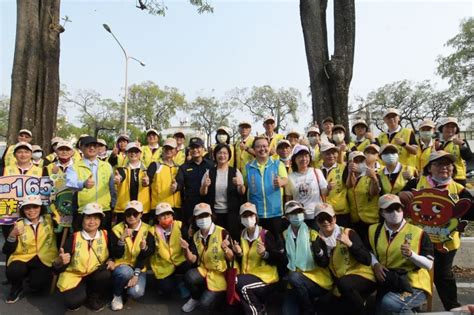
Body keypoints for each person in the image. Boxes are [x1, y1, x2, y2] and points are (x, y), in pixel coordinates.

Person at [400, 150, 473, 311]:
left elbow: (471, 211)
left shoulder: (459, 190)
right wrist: (401, 194)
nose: (444, 167)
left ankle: (452, 308)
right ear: (429, 167)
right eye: (438, 164)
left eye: (447, 164)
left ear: (453, 168)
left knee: (443, 276)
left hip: (445, 242)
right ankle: (413, 306)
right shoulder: (416, 184)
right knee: (416, 273)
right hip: (419, 240)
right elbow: (399, 204)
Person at [369, 194, 433, 314]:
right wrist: (376, 264)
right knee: (382, 309)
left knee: (389, 303)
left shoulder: (419, 233)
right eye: (389, 209)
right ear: (382, 213)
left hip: (413, 285)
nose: (395, 213)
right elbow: (369, 251)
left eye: (397, 208)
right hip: (390, 281)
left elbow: (429, 264)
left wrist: (412, 255)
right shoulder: (373, 230)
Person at [314, 203, 376, 315]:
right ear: (317, 222)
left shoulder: (348, 233)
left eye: (328, 218)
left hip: (363, 276)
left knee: (345, 284)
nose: (326, 222)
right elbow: (323, 264)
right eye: (321, 219)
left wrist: (350, 244)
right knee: (322, 306)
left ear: (334, 218)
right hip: (341, 283)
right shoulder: (318, 240)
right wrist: (318, 253)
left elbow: (366, 259)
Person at [54, 203, 113, 312]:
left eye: (96, 218)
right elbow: (57, 269)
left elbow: (113, 253)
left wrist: (111, 260)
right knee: (72, 303)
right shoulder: (74, 237)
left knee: (106, 274)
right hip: (74, 275)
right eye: (88, 218)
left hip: (95, 273)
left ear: (100, 221)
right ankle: (83, 292)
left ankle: (93, 296)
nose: (92, 222)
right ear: (82, 219)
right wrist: (59, 262)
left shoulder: (105, 235)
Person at [231, 202, 286, 315]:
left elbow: (281, 259)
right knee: (235, 285)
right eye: (245, 216)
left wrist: (265, 254)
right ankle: (260, 307)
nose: (248, 218)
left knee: (239, 284)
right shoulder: (240, 235)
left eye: (251, 215)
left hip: (266, 278)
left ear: (256, 217)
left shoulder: (265, 234)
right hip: (248, 277)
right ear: (240, 219)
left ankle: (258, 311)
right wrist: (239, 254)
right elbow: (243, 260)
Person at [2, 195, 58, 304]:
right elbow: (6, 250)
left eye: (35, 207)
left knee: (38, 287)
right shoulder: (18, 224)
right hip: (22, 258)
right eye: (27, 208)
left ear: (41, 208)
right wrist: (13, 234)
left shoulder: (50, 219)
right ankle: (17, 287)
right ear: (23, 210)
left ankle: (32, 279)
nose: (32, 210)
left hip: (45, 258)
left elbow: (62, 218)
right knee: (13, 271)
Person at [282, 201, 333, 315]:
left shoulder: (313, 234)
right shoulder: (284, 235)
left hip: (317, 281)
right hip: (294, 284)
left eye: (299, 212)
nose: (297, 216)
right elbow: (283, 262)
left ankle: (309, 310)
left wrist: (319, 252)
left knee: (294, 277)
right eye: (293, 213)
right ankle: (309, 301)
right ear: (286, 217)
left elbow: (324, 263)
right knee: (287, 312)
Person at [179, 203, 233, 313]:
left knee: (204, 305)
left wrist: (226, 249)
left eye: (206, 215)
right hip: (205, 269)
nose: (203, 219)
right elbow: (193, 260)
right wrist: (186, 249)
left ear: (211, 216)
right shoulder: (196, 236)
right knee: (189, 276)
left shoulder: (222, 232)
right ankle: (195, 297)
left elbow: (232, 258)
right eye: (200, 216)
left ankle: (220, 299)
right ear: (195, 219)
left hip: (220, 274)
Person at [110, 200, 154, 311]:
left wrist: (136, 274)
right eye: (128, 213)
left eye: (135, 213)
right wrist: (121, 239)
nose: (131, 217)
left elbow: (148, 253)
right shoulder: (117, 229)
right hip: (122, 266)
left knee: (136, 292)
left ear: (141, 214)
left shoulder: (148, 229)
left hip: (139, 267)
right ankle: (117, 295)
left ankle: (125, 287)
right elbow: (116, 254)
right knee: (125, 272)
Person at [65, 136, 116, 231]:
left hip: (103, 210)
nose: (92, 148)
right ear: (81, 148)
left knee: (103, 242)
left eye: (94, 146)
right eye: (88, 146)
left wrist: (113, 206)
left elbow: (112, 188)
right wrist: (83, 184)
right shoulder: (74, 167)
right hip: (83, 211)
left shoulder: (107, 166)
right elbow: (70, 183)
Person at [243, 136, 288, 242]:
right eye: (258, 147)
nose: (262, 149)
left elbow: (285, 179)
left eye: (264, 146)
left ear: (269, 147)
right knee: (259, 243)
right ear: (254, 149)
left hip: (275, 212)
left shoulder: (277, 164)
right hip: (257, 214)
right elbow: (244, 186)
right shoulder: (248, 167)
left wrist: (281, 182)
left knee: (277, 243)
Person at [200, 143, 246, 240]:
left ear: (229, 155)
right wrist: (205, 185)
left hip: (232, 213)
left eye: (225, 153)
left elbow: (242, 192)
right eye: (219, 153)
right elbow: (203, 193)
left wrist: (240, 184)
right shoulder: (209, 172)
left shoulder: (235, 171)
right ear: (215, 155)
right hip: (214, 213)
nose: (222, 156)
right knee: (216, 239)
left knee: (232, 239)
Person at [149, 202, 190, 298]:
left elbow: (188, 241)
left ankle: (181, 283)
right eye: (162, 215)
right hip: (163, 265)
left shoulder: (180, 225)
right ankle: (161, 283)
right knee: (166, 291)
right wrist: (144, 248)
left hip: (180, 260)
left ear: (172, 215)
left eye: (168, 214)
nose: (166, 217)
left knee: (190, 266)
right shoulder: (152, 230)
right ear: (157, 218)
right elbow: (149, 250)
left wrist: (187, 245)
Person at [285, 144, 328, 229]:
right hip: (299, 217)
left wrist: (329, 188)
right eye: (300, 156)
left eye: (306, 156)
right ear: (294, 159)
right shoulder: (290, 177)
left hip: (317, 216)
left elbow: (324, 192)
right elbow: (289, 199)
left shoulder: (317, 172)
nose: (304, 159)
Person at [175, 137, 213, 230]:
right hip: (191, 204)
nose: (195, 150)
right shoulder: (184, 167)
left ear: (203, 149)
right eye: (192, 148)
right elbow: (179, 183)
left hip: (208, 203)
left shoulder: (211, 165)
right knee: (192, 230)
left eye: (198, 147)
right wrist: (175, 186)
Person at [346, 151, 380, 243]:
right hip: (356, 221)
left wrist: (374, 179)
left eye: (361, 160)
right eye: (355, 161)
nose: (359, 163)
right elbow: (348, 186)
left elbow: (374, 193)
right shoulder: (350, 178)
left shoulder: (371, 174)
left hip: (371, 220)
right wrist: (350, 172)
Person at [114, 142, 151, 223]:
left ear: (140, 153)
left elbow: (149, 183)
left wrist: (147, 182)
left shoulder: (147, 170)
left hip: (142, 210)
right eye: (131, 151)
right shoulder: (121, 169)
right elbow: (120, 176)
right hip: (124, 209)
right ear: (127, 153)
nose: (133, 154)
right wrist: (118, 179)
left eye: (136, 151)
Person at [148, 138, 182, 220]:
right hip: (159, 207)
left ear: (176, 150)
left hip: (175, 208)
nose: (168, 150)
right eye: (166, 148)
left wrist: (177, 186)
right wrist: (146, 181)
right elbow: (147, 181)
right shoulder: (155, 165)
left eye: (171, 148)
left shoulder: (178, 167)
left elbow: (181, 184)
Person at [319, 143, 350, 227]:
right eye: (327, 153)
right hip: (323, 211)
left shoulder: (343, 168)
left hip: (341, 212)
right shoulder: (317, 170)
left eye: (334, 153)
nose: (331, 156)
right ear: (321, 154)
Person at [436, 117, 473, 185]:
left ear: (456, 129)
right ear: (442, 129)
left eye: (453, 127)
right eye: (447, 126)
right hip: (443, 178)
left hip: (458, 178)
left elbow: (469, 157)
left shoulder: (461, 142)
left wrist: (462, 145)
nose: (450, 129)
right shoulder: (439, 144)